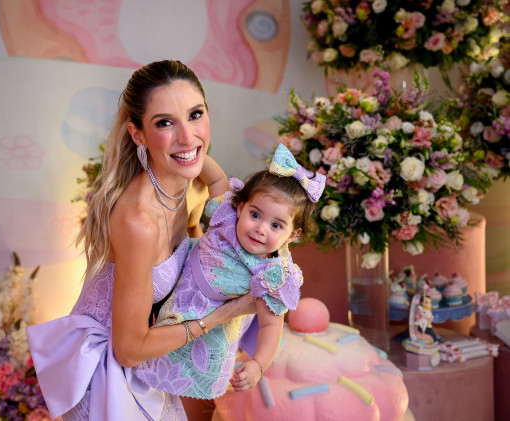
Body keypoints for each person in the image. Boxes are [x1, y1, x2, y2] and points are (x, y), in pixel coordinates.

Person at [26, 60, 257, 421]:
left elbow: (220, 202)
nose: (187, 136)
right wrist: (224, 315)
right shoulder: (138, 221)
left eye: (195, 115)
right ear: (138, 135)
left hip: (150, 364)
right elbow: (129, 350)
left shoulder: (186, 178)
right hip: (109, 376)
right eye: (165, 122)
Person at [133, 144, 326, 399]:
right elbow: (215, 178)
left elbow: (271, 326)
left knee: (177, 391)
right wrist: (189, 153)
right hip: (172, 290)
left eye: (276, 225)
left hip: (207, 330)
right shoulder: (227, 217)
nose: (260, 229)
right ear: (241, 207)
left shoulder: (272, 274)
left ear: (292, 235)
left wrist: (258, 365)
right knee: (136, 376)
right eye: (255, 215)